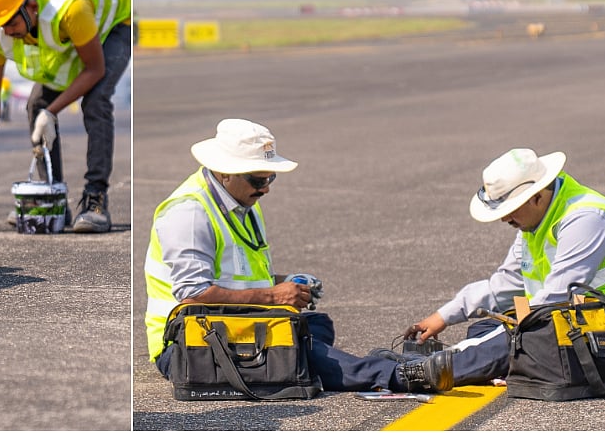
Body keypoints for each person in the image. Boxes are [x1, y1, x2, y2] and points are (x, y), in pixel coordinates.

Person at [144, 118, 455, 394]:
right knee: (295, 346)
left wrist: (287, 283)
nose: (266, 189)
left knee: (315, 326)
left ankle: (339, 366)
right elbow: (194, 294)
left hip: (229, 325)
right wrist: (274, 296)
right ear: (226, 173)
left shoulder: (242, 202)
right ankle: (392, 374)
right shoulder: (190, 212)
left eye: (271, 178)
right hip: (188, 344)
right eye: (258, 180)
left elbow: (238, 274)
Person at [401, 148, 605, 385]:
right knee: (488, 328)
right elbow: (503, 286)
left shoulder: (587, 219)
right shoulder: (535, 223)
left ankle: (445, 367)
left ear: (536, 196)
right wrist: (443, 317)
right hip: (596, 319)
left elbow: (553, 300)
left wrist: (469, 350)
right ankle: (477, 361)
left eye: (510, 209)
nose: (504, 219)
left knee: (517, 338)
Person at [0, 0, 132, 233]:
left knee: (95, 100)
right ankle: (53, 200)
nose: (6, 32)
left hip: (116, 24)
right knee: (36, 105)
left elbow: (95, 69)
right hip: (75, 31)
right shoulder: (0, 31)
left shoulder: (71, 9)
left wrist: (52, 112)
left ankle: (96, 200)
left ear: (32, 7)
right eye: (0, 25)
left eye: (11, 23)